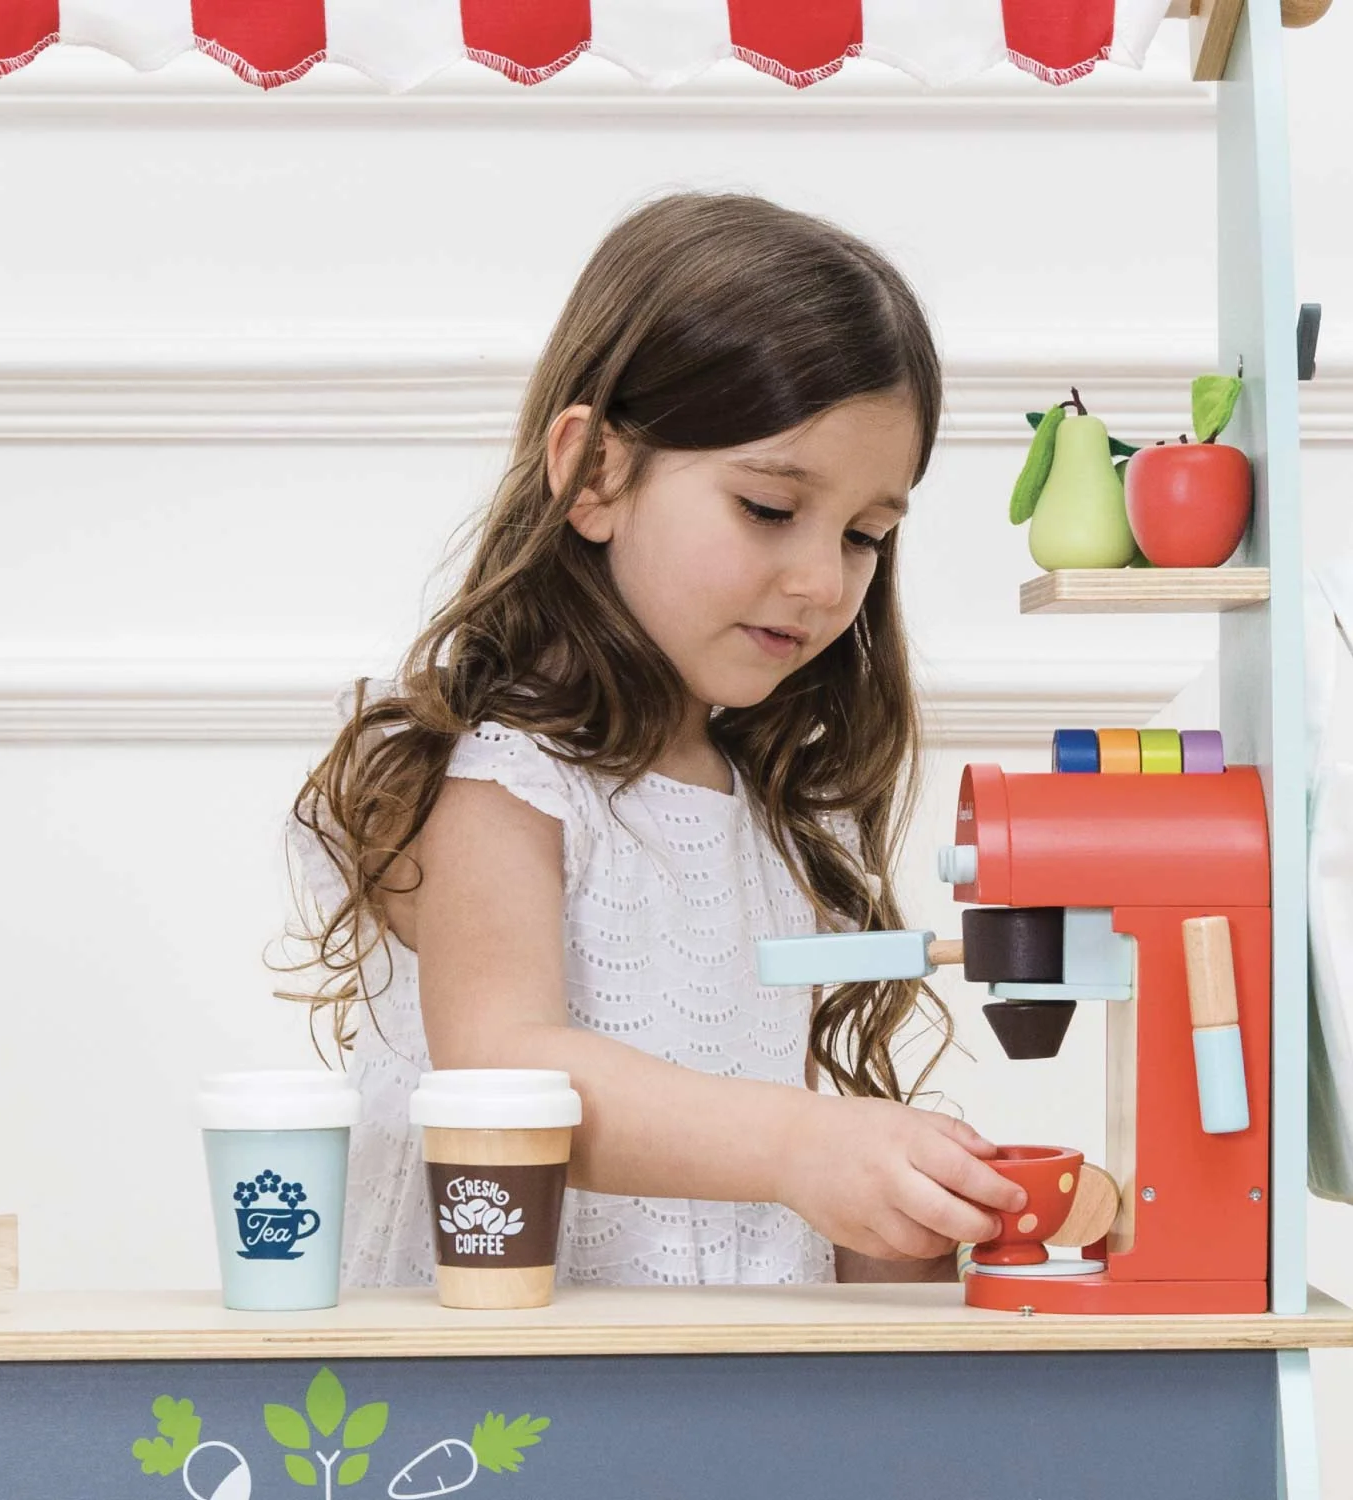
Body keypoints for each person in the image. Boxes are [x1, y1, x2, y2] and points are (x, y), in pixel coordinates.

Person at [280, 191, 1024, 1289]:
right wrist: (799, 1145)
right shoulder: (505, 784)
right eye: (771, 508)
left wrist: (913, 1210)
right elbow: (503, 1068)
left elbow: (754, 1213)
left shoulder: (774, 812)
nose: (825, 580)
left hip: (717, 1398)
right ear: (595, 474)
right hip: (517, 1402)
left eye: (866, 535)